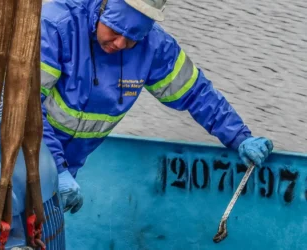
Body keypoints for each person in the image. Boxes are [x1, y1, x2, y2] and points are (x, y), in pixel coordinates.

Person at [40, 0, 274, 214]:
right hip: (21, 156)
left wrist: (240, 137)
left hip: (65, 171)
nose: (120, 43)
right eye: (115, 30)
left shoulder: (153, 47)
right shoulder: (57, 25)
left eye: (132, 37)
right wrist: (53, 168)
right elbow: (24, 108)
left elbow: (196, 93)